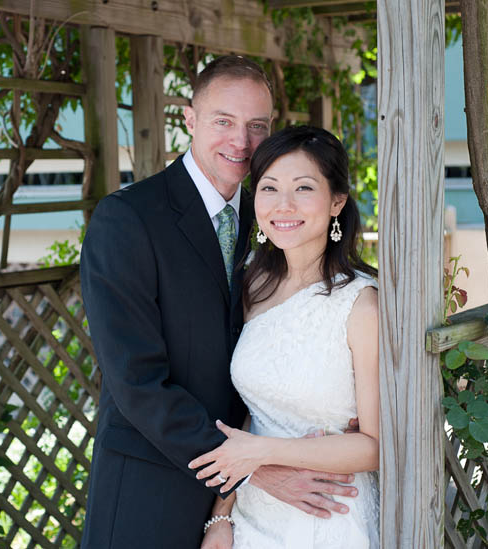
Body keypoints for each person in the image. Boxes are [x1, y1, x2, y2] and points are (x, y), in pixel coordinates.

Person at [79, 57, 358, 549]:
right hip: (153, 489)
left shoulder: (272, 214)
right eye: (223, 121)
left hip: (255, 515)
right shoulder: (127, 219)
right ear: (189, 119)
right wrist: (257, 470)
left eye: (256, 126)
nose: (241, 142)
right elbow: (136, 382)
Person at [189, 125, 380, 548]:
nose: (284, 205)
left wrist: (261, 453)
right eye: (269, 188)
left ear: (337, 201)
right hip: (252, 513)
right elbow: (248, 410)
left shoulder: (362, 305)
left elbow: (373, 447)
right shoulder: (253, 285)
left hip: (326, 515)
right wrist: (221, 516)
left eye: (303, 188)